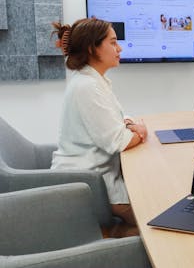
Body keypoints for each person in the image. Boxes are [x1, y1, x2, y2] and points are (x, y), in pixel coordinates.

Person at [50, 18, 148, 237]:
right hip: (91, 183)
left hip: (94, 174)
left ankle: (106, 234)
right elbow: (117, 141)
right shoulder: (87, 87)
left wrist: (131, 126)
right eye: (113, 42)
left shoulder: (92, 81)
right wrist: (140, 132)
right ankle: (108, 241)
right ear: (92, 48)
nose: (119, 48)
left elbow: (119, 119)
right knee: (154, 214)